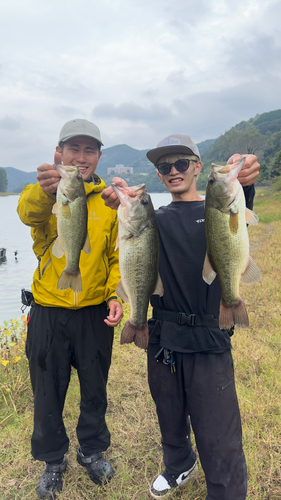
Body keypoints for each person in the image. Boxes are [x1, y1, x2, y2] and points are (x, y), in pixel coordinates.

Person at [101, 133, 260, 500]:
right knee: (169, 414)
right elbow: (134, 247)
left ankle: (226, 491)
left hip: (208, 334)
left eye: (182, 163)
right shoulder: (155, 220)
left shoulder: (217, 209)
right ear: (158, 174)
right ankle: (179, 465)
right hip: (164, 337)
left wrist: (245, 181)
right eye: (164, 166)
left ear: (198, 167)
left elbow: (236, 215)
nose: (173, 171)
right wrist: (118, 201)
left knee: (217, 429)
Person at [17, 118, 123, 499]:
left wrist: (115, 296)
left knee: (95, 389)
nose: (80, 158)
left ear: (98, 157)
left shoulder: (110, 202)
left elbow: (115, 257)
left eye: (89, 150)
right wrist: (47, 193)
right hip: (49, 311)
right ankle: (52, 460)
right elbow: (28, 215)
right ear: (58, 153)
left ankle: (91, 451)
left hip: (94, 313)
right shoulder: (43, 192)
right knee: (47, 390)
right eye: (73, 149)